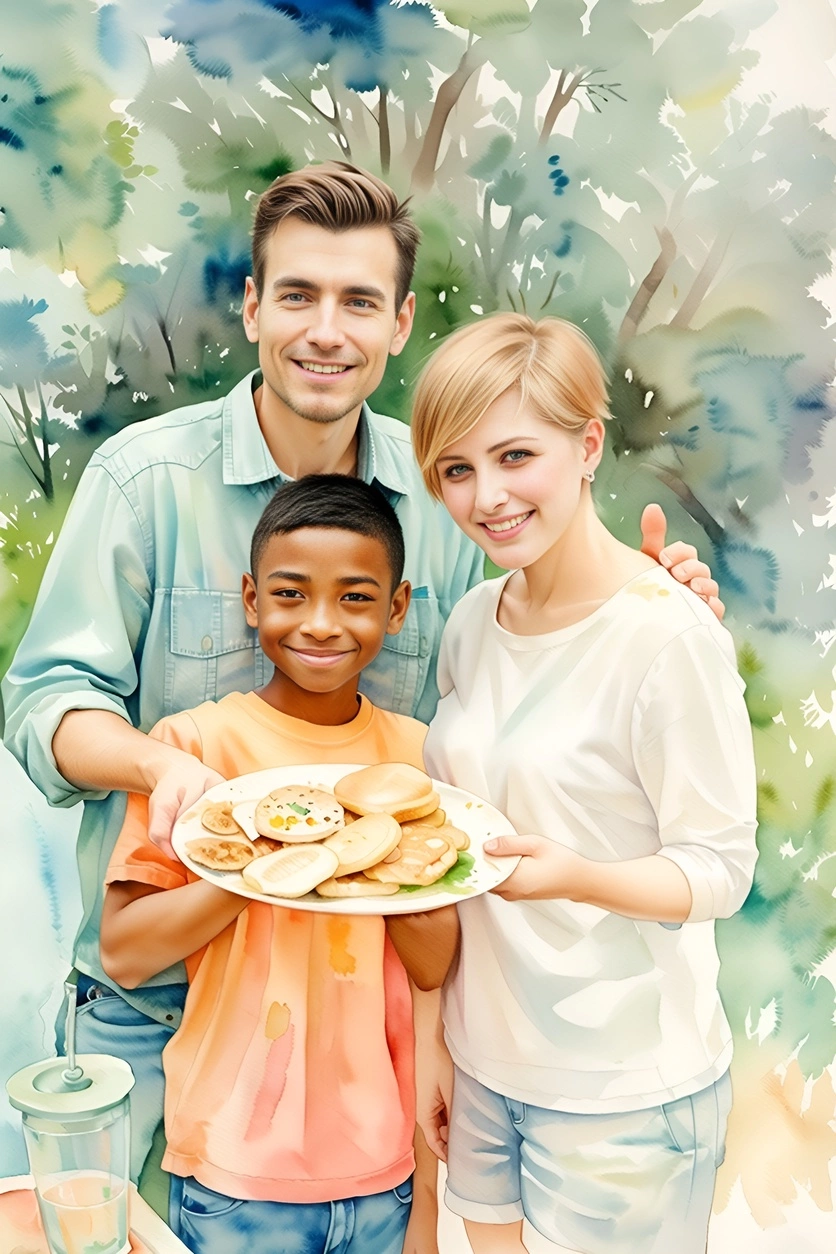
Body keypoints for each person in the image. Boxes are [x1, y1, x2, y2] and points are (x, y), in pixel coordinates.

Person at [2, 161, 717, 1199]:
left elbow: (514, 661)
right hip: (155, 994)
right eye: (296, 295)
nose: (324, 330)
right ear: (252, 307)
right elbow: (45, 703)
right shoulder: (144, 481)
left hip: (354, 1006)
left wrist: (642, 602)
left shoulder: (443, 499)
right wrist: (161, 766)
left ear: (398, 322)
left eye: (358, 302)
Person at [409, 313, 759, 1254]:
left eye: (516, 455)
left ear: (588, 443)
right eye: (456, 470)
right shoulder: (474, 622)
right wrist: (442, 1043)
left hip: (624, 1093)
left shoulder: (670, 636)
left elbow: (719, 873)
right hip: (488, 1067)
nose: (487, 496)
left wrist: (576, 873)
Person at [99, 474, 459, 1254]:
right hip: (233, 1168)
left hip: (381, 1167)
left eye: (357, 598)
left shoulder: (418, 760)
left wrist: (392, 867)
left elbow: (435, 966)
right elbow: (124, 950)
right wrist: (260, 865)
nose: (322, 624)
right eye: (291, 595)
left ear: (397, 608)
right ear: (251, 599)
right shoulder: (192, 750)